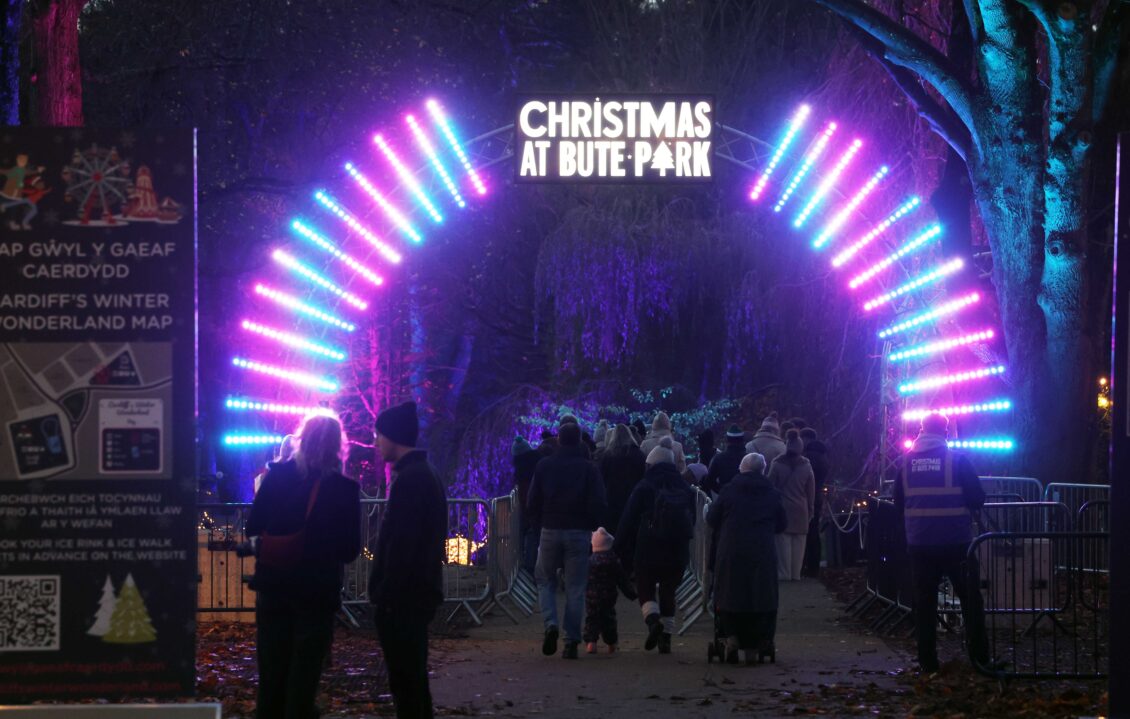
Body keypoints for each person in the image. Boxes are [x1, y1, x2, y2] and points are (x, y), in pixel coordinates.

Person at [246, 413, 361, 719]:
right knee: (305, 675)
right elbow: (350, 550)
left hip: (274, 586)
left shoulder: (277, 476)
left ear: (301, 439)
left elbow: (253, 526)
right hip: (317, 592)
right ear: (338, 446)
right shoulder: (344, 489)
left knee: (272, 672)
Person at [369, 401, 447, 719]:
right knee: (412, 678)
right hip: (415, 594)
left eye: (379, 435)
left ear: (393, 436)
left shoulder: (411, 480)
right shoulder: (423, 475)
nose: (376, 442)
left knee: (406, 680)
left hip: (403, 598)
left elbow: (402, 544)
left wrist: (386, 592)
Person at [893, 413, 989, 673]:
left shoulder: (906, 463)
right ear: (945, 432)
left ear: (921, 430)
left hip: (920, 543)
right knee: (970, 600)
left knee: (924, 604)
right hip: (956, 542)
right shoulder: (957, 460)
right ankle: (980, 659)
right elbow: (977, 498)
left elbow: (898, 502)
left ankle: (927, 663)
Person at [527, 422, 607, 659]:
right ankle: (571, 640)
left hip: (550, 528)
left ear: (559, 440)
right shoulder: (589, 468)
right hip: (578, 531)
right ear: (580, 441)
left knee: (544, 579)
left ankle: (550, 623)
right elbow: (599, 500)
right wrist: (593, 524)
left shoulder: (544, 465)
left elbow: (533, 500)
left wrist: (538, 524)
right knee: (576, 587)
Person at [615, 436, 696, 654]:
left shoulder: (644, 486)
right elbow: (693, 519)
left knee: (645, 586)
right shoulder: (685, 487)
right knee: (669, 589)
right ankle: (666, 637)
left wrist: (618, 547)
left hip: (648, 545)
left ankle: (653, 622)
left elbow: (628, 518)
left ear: (650, 464)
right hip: (677, 548)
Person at [706, 453, 787, 664]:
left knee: (728, 594)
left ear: (742, 469)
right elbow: (782, 524)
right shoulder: (772, 494)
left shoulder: (728, 491)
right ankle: (758, 640)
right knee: (762, 596)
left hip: (731, 550)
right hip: (762, 551)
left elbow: (712, 518)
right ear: (762, 470)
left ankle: (731, 635)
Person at [768, 430, 815, 581]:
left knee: (783, 545)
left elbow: (769, 486)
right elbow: (811, 491)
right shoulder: (806, 466)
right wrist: (811, 509)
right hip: (801, 510)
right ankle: (796, 575)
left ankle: (785, 575)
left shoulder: (777, 464)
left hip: (782, 509)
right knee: (799, 545)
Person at [583, 527, 637, 654]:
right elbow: (622, 580)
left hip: (591, 597)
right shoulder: (614, 561)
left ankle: (591, 643)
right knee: (609, 619)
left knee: (592, 618)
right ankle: (611, 643)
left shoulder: (589, 561)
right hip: (608, 596)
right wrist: (631, 593)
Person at [598, 423, 647, 531]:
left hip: (612, 500)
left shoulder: (608, 455)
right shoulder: (639, 454)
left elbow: (601, 479)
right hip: (633, 498)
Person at [800, 428, 830, 577]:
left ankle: (805, 564)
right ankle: (814, 565)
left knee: (805, 532)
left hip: (805, 497)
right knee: (814, 530)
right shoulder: (823, 455)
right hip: (817, 496)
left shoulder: (807, 457)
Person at [512, 435, 543, 576]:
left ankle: (527, 567)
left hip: (528, 508)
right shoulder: (538, 463)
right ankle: (532, 567)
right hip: (538, 507)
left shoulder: (520, 472)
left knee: (529, 535)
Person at [702, 425, 747, 496]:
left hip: (727, 500)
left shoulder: (719, 458)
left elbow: (709, 481)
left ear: (727, 439)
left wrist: (722, 491)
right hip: (746, 499)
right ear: (742, 439)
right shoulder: (749, 458)